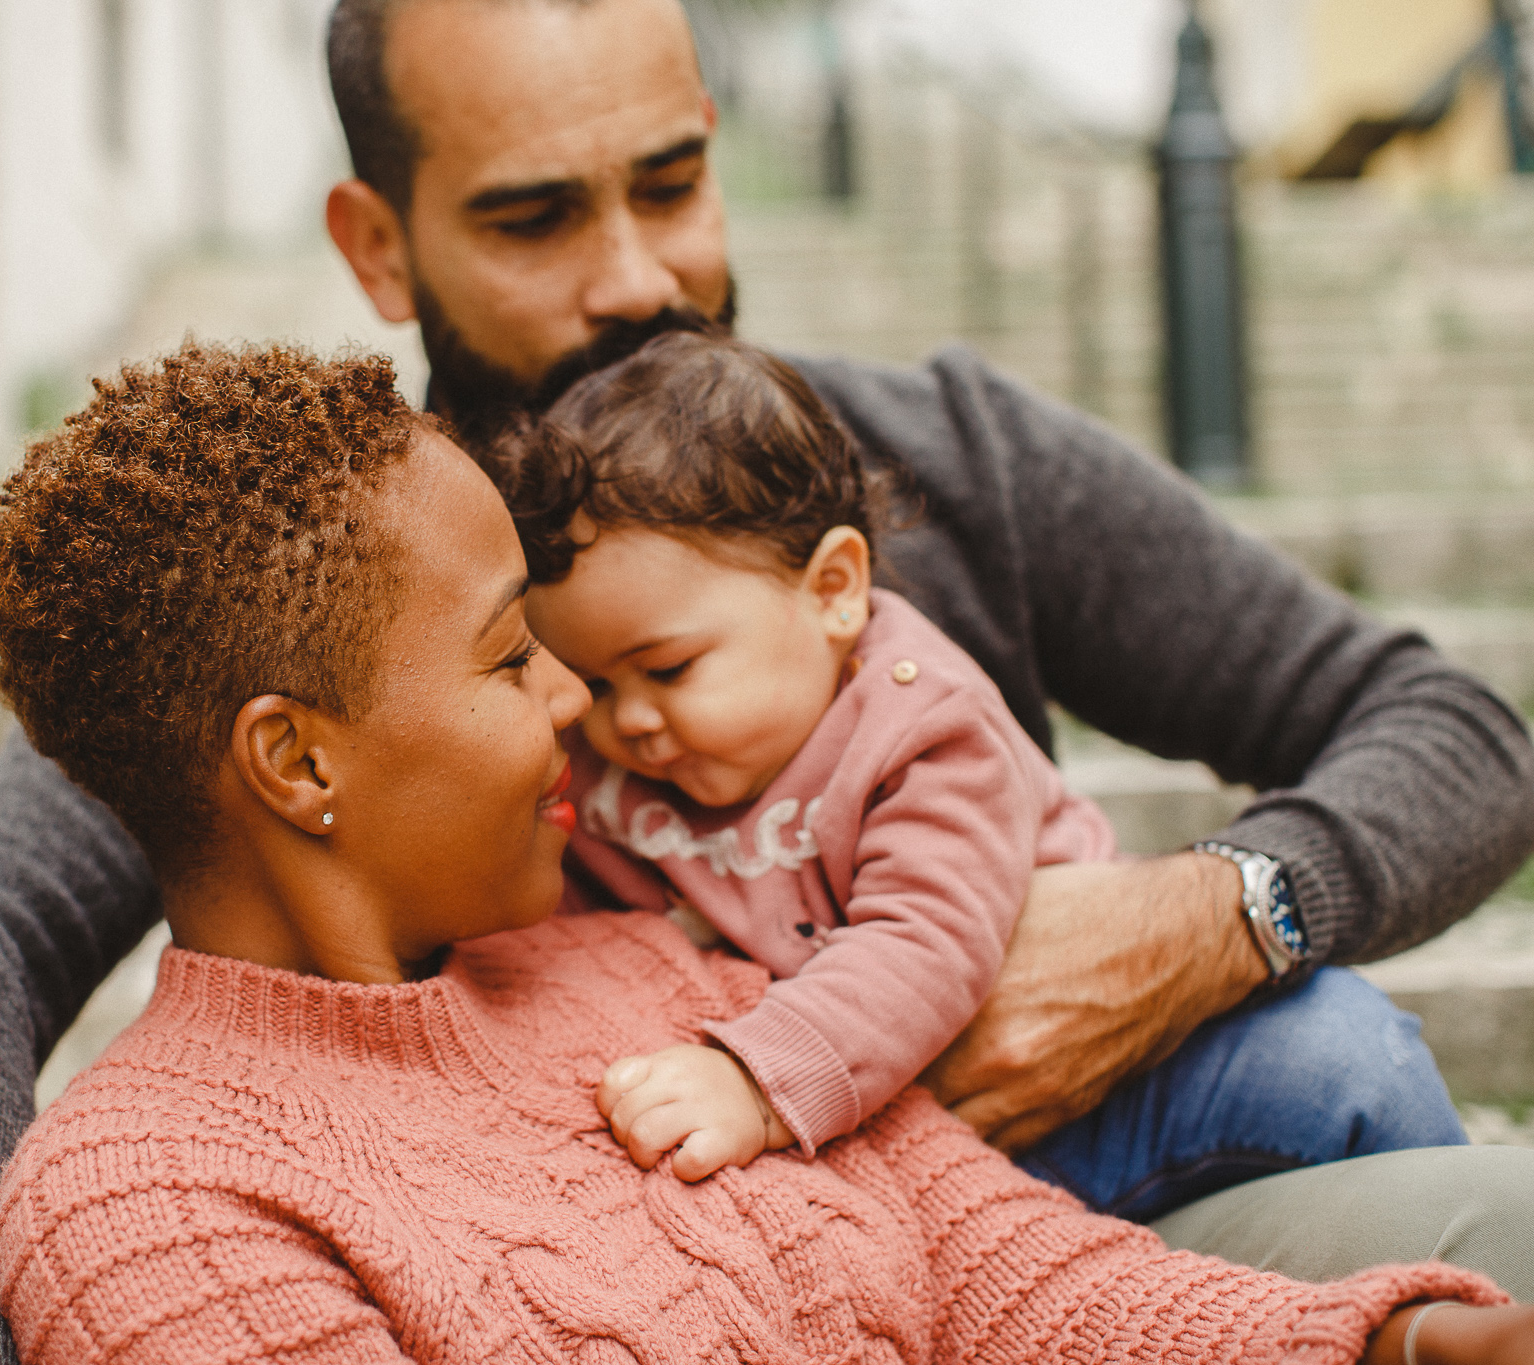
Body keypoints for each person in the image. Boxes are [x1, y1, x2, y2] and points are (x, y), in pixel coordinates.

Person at [0, 0, 1534, 1358]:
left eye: (671, 184)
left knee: (1365, 1101)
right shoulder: (330, 595)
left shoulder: (947, 454)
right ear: (377, 245)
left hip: (1045, 1213)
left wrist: (1210, 917)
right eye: (534, 216)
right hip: (643, 1238)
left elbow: (1456, 733)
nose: (638, 279)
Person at [0, 340, 1530, 1365]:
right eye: (516, 657)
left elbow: (1010, 1269)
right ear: (298, 760)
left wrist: (1377, 1344)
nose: (584, 704)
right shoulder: (151, 1197)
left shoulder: (638, 958)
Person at [486, 329, 1464, 1217]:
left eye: (666, 670)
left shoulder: (921, 725)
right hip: (885, 1138)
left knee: (1348, 1056)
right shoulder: (613, 765)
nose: (628, 724)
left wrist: (755, 1079)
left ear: (832, 591)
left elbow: (928, 940)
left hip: (1097, 1086)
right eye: (595, 685)